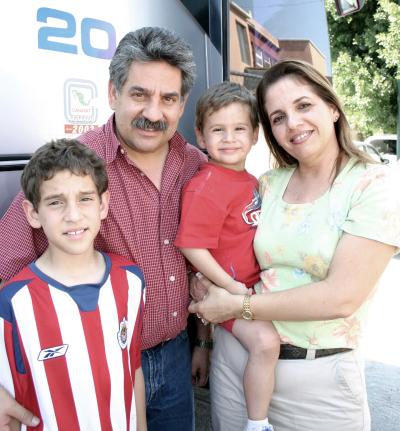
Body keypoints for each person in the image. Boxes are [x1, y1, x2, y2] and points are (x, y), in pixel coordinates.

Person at [0, 27, 209, 431]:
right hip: (95, 365)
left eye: (168, 98)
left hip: (177, 356)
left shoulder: (196, 166)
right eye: (139, 94)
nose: (153, 111)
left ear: (182, 105)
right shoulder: (75, 169)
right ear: (113, 93)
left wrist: (202, 342)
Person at [189, 60, 400, 431]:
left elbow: (342, 297)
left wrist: (237, 305)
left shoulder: (372, 185)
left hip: (317, 381)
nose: (293, 124)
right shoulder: (268, 183)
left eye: (304, 106)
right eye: (278, 117)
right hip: (237, 360)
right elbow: (221, 250)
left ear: (332, 107)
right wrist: (205, 339)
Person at [0, 139, 146, 430]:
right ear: (32, 213)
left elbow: (134, 370)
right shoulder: (14, 303)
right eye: (55, 202)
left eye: (85, 199)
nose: (73, 215)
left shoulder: (130, 280)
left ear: (103, 204)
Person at [175, 81, 279, 431]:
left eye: (239, 129)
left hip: (251, 289)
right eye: (218, 130)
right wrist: (231, 287)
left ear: (254, 136)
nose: (229, 138)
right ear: (201, 138)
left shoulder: (251, 180)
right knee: (265, 343)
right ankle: (257, 422)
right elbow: (190, 245)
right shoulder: (207, 185)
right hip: (231, 292)